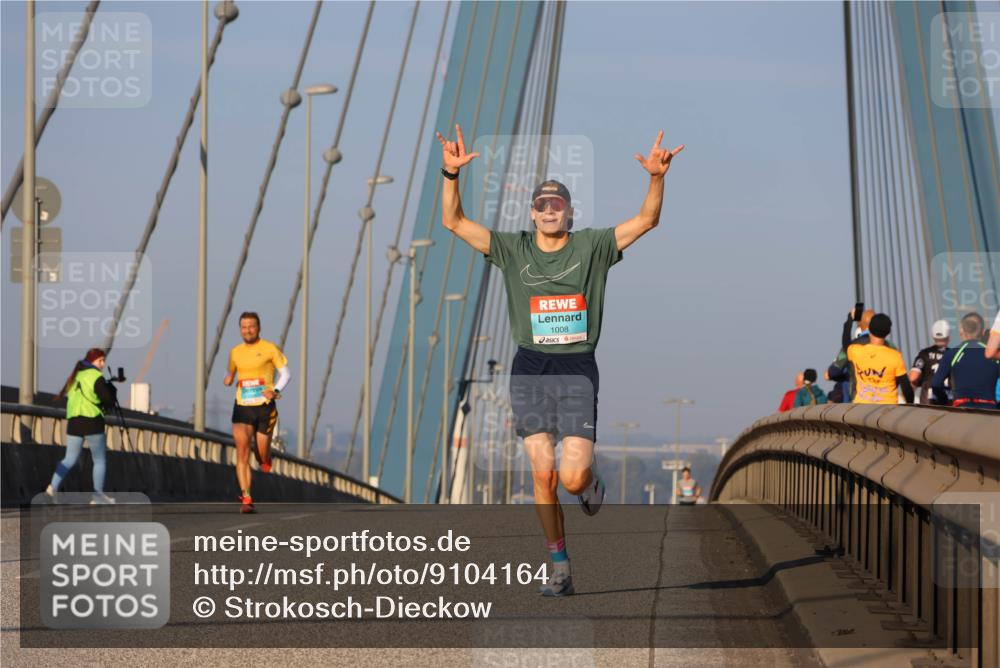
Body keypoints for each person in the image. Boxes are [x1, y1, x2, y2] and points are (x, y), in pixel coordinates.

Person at [436, 124, 683, 596]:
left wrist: (656, 178)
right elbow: (454, 222)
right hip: (530, 368)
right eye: (542, 205)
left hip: (576, 369)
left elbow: (646, 221)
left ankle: (588, 485)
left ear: (570, 212)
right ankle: (559, 565)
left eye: (557, 204)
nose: (549, 210)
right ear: (532, 213)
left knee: (570, 479)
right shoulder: (513, 249)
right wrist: (451, 173)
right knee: (543, 474)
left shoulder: (593, 246)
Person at [224, 312, 291, 513]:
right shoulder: (235, 352)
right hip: (242, 406)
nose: (248, 330)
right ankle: (246, 497)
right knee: (242, 451)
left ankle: (265, 458)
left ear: (259, 328)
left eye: (251, 326)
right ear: (240, 329)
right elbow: (231, 372)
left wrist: (275, 390)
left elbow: (286, 373)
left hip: (264, 407)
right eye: (244, 327)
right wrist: (228, 378)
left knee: (261, 453)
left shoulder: (269, 348)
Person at [45, 348, 117, 504]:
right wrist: (111, 391)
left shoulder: (74, 377)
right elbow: (107, 400)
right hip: (92, 421)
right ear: (92, 361)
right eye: (100, 361)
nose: (103, 364)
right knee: (99, 460)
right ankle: (97, 496)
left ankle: (52, 487)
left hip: (74, 422)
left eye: (104, 361)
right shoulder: (96, 377)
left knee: (69, 458)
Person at [931, 312, 999, 409]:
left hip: (962, 409)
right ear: (983, 332)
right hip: (990, 410)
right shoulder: (994, 355)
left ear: (961, 331)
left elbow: (936, 384)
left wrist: (943, 401)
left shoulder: (952, 354)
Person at [828, 307, 897, 402]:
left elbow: (834, 372)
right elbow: (899, 375)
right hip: (886, 400)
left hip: (860, 400)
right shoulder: (891, 346)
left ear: (859, 326)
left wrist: (848, 374)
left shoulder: (853, 346)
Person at [846, 313, 914, 404]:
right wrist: (910, 403)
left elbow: (845, 343)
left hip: (862, 406)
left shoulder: (856, 351)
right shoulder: (895, 356)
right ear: (888, 332)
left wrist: (849, 320)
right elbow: (906, 388)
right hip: (888, 407)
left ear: (869, 329)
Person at [908, 319, 951, 405]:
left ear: (933, 336)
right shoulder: (953, 354)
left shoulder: (924, 354)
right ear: (949, 337)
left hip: (928, 403)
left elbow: (913, 377)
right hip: (948, 402)